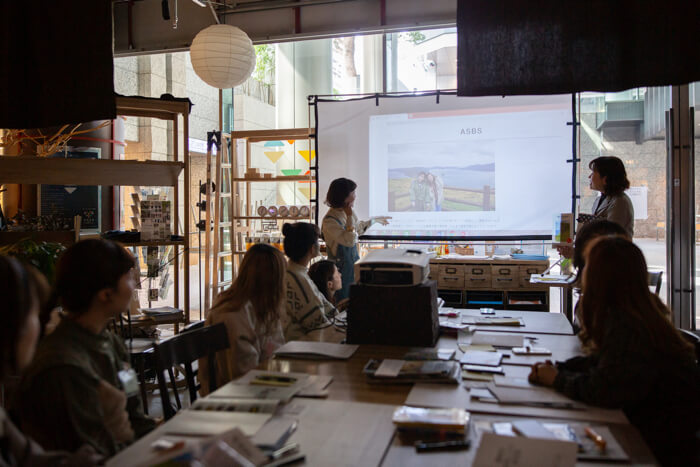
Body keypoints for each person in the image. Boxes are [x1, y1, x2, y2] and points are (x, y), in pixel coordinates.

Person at [529, 236, 700, 466]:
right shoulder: (640, 310)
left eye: (587, 266)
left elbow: (605, 390)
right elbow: (605, 364)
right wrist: (561, 369)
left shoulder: (626, 325)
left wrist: (558, 379)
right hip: (662, 434)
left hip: (656, 449)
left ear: (600, 277)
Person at [16, 239, 156, 457]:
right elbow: (92, 448)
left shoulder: (111, 342)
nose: (135, 284)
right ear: (105, 294)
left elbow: (133, 406)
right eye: (129, 277)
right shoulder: (63, 366)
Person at [0, 255, 98, 466]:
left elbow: (29, 456)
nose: (44, 326)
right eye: (35, 315)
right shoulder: (59, 366)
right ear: (12, 326)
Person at [199, 244, 286, 395]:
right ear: (272, 281)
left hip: (254, 386)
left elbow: (276, 350)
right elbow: (243, 372)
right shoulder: (232, 314)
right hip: (234, 395)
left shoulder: (260, 306)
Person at [321, 178, 389, 300]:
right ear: (343, 196)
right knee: (342, 304)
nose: (355, 196)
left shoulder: (347, 213)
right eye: (353, 193)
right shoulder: (329, 221)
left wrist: (374, 220)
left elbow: (358, 228)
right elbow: (350, 240)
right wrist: (349, 216)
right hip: (338, 273)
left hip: (352, 268)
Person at [283, 222, 338, 340]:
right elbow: (319, 324)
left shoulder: (296, 273)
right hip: (303, 347)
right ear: (312, 248)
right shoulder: (298, 279)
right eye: (317, 241)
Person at [587, 156, 634, 237]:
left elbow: (611, 237)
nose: (589, 177)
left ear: (605, 179)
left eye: (593, 173)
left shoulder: (620, 202)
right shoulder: (599, 199)